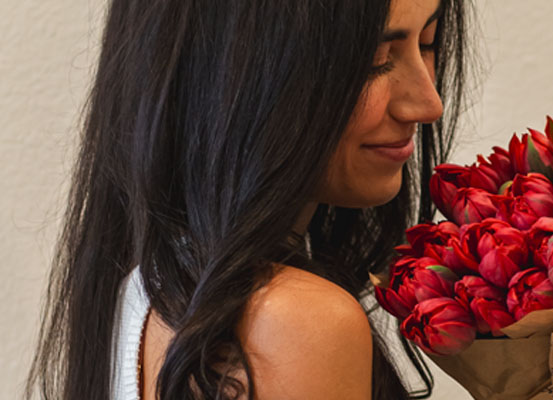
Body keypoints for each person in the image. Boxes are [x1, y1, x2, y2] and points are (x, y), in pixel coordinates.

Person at [26, 0, 473, 398]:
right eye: (375, 58)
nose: (427, 103)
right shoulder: (294, 321)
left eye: (429, 43)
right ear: (234, 69)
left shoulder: (146, 288)